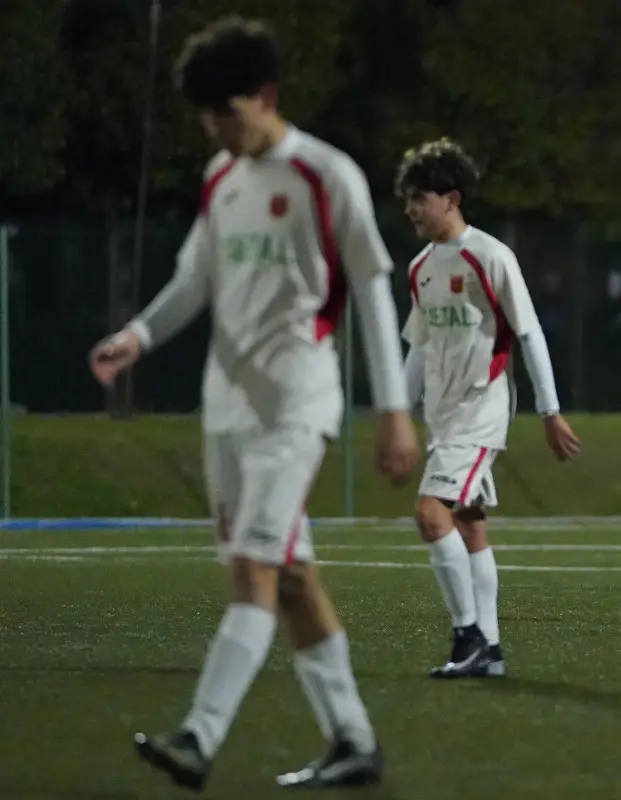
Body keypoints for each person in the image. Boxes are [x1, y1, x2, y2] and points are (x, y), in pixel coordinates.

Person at [87, 16, 420, 791]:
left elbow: (371, 286)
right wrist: (137, 334)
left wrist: (394, 409)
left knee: (254, 573)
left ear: (264, 97)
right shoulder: (220, 178)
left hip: (295, 408)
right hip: (226, 414)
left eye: (224, 113)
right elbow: (195, 280)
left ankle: (199, 738)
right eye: (206, 117)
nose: (214, 129)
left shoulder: (326, 175)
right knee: (293, 577)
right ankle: (353, 740)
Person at [395, 138, 581, 678]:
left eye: (418, 198)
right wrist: (398, 417)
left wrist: (550, 411)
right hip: (442, 415)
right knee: (470, 525)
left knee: (431, 515)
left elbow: (528, 333)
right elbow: (421, 346)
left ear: (450, 198)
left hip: (481, 408)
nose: (409, 209)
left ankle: (467, 636)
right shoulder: (421, 268)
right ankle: (491, 652)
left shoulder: (491, 255)